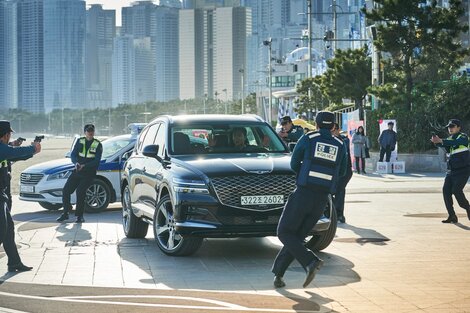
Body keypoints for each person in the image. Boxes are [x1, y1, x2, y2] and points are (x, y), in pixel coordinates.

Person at [271, 111, 346, 289]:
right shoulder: (339, 144)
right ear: (333, 126)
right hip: (322, 199)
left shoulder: (308, 138)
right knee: (296, 236)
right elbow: (342, 171)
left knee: (284, 232)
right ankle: (278, 275)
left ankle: (311, 261)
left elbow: (293, 163)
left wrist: (305, 174)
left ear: (317, 124)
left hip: (303, 193)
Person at [0, 120, 41, 272]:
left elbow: (15, 155)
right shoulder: (2, 149)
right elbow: (13, 153)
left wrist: (31, 151)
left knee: (8, 229)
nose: (10, 136)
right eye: (9, 134)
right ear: (5, 135)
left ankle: (14, 262)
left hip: (2, 195)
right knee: (2, 230)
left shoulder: (4, 148)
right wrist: (33, 149)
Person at [57, 124, 103, 223]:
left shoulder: (98, 144)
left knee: (80, 192)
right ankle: (65, 213)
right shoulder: (80, 141)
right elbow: (73, 154)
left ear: (94, 132)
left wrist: (85, 166)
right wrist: (76, 163)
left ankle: (79, 216)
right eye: (88, 131)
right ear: (84, 132)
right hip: (78, 170)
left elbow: (97, 161)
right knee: (66, 191)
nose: (90, 133)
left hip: (89, 173)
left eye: (92, 131)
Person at [431, 119, 470, 223]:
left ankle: (468, 208)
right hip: (451, 171)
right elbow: (446, 147)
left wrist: (442, 141)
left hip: (463, 170)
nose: (450, 128)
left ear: (458, 127)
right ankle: (452, 215)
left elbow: (457, 142)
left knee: (457, 191)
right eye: (449, 127)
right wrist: (437, 142)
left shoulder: (463, 137)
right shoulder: (449, 139)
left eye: (452, 126)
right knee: (446, 191)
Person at [332, 123, 353, 223]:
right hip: (334, 171)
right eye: (332, 130)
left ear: (338, 129)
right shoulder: (330, 140)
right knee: (337, 191)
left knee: (339, 190)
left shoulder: (344, 140)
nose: (334, 132)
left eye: (335, 129)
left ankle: (338, 214)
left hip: (345, 171)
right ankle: (336, 213)